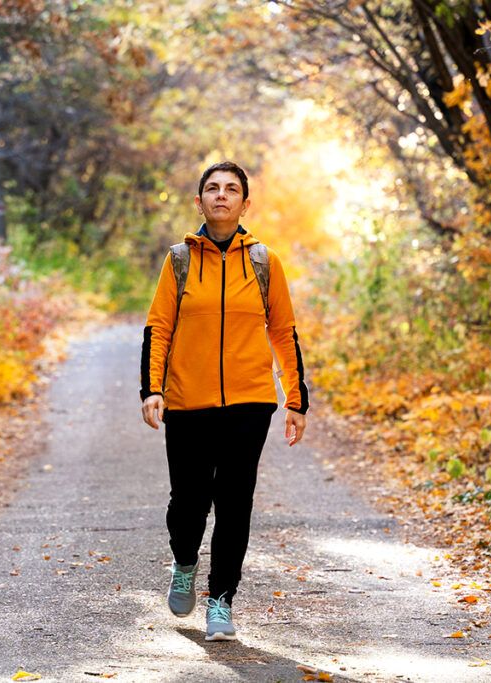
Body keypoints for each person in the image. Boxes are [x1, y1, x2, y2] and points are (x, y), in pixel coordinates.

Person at [139, 160, 310, 642]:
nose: (221, 195)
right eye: (212, 189)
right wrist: (152, 389)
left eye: (231, 189)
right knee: (188, 503)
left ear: (244, 203)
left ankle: (221, 601)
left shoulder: (263, 262)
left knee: (235, 504)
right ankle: (185, 560)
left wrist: (295, 400)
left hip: (248, 403)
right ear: (199, 202)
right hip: (187, 402)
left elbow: (284, 332)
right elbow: (158, 328)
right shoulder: (178, 261)